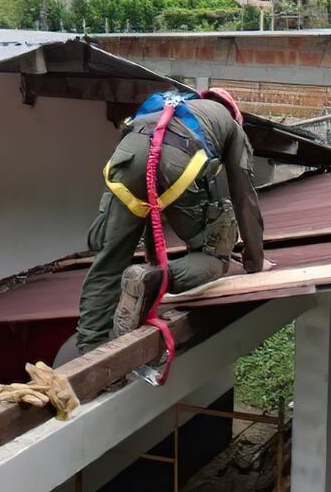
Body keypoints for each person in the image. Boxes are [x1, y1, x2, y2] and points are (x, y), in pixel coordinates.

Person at [76, 88, 265, 354]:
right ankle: (149, 279)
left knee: (109, 261)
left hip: (126, 158)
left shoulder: (169, 104)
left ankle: (89, 347)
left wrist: (147, 251)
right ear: (235, 113)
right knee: (213, 258)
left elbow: (145, 182)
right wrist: (254, 260)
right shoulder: (231, 124)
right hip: (177, 163)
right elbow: (243, 194)